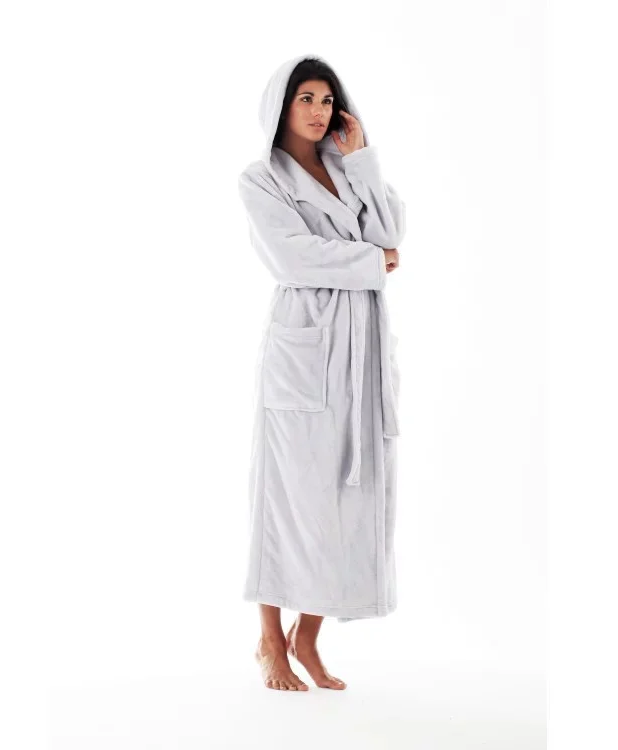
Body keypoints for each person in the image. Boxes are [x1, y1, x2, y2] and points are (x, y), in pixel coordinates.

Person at [237, 53, 406, 691]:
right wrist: (368, 261)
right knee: (289, 496)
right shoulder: (260, 180)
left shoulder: (345, 166)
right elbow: (292, 257)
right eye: (305, 98)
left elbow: (392, 231)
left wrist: (362, 162)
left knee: (346, 496)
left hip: (361, 343)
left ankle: (306, 637)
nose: (318, 111)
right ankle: (268, 639)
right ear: (281, 106)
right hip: (304, 345)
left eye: (327, 100)